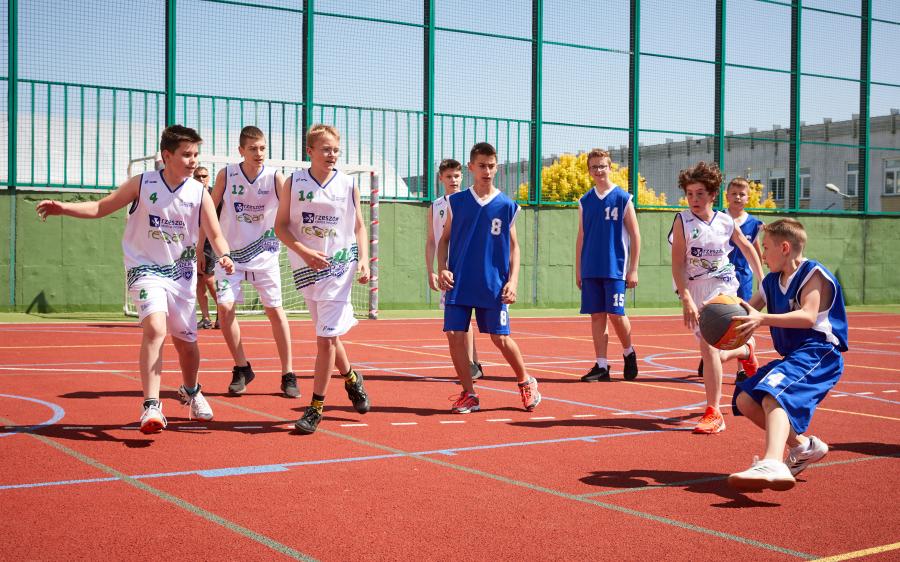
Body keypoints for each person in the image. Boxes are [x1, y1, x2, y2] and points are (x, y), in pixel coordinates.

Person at [36, 125, 235, 434]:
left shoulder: (199, 193)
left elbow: (216, 234)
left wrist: (225, 255)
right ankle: (151, 405)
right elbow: (101, 207)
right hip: (145, 269)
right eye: (186, 154)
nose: (193, 161)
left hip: (180, 275)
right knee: (155, 327)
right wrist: (64, 208)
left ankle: (192, 391)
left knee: (187, 345)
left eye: (196, 154)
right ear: (167, 155)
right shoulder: (142, 184)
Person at [725, 218, 847, 491]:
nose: (762, 255)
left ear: (784, 248)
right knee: (746, 399)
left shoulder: (812, 273)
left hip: (819, 352)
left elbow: (808, 316)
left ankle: (772, 461)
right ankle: (804, 446)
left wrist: (762, 319)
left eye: (765, 248)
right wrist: (718, 315)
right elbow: (746, 313)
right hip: (795, 356)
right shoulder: (770, 282)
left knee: (773, 394)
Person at [276, 124, 371, 434]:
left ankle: (315, 407)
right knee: (328, 334)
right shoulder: (294, 182)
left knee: (325, 339)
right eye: (326, 149)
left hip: (339, 268)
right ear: (310, 151)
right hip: (307, 268)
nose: (332, 154)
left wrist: (364, 260)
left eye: (336, 150)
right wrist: (304, 252)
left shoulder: (348, 184)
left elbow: (359, 226)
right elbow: (280, 227)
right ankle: (352, 378)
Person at [438, 142, 541, 414]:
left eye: (491, 166)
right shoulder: (456, 202)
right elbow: (443, 240)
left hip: (493, 284)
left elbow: (514, 248)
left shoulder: (506, 205)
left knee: (500, 338)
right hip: (460, 283)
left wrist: (513, 281)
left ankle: (525, 381)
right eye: (481, 166)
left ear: (497, 168)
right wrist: (442, 267)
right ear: (471, 167)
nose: (486, 171)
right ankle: (469, 393)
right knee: (454, 335)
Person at [669, 161, 763, 434]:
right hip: (695, 289)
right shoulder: (682, 221)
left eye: (700, 193)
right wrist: (686, 298)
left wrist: (763, 278)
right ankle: (745, 351)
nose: (694, 199)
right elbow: (677, 264)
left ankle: (714, 412)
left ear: (712, 195)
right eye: (690, 194)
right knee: (714, 351)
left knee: (709, 348)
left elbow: (747, 247)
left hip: (723, 286)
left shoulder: (725, 221)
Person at [205, 126, 298, 398]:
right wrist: (200, 247)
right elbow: (208, 211)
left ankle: (288, 373)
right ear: (241, 150)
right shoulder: (226, 175)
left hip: (265, 256)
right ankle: (242, 367)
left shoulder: (275, 177)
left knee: (275, 312)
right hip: (229, 257)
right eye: (253, 148)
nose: (259, 153)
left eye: (262, 148)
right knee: (224, 309)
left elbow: (292, 212)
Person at [576, 149, 641, 382]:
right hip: (591, 267)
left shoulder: (623, 198)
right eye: (594, 167)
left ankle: (628, 352)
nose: (599, 170)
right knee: (597, 316)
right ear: (589, 171)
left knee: (616, 313)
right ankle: (602, 366)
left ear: (610, 167)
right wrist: (578, 269)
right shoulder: (585, 201)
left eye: (602, 166)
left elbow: (635, 235)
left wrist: (633, 268)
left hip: (615, 267)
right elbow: (581, 237)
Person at [425, 158, 484, 382]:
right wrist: (431, 270)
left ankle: (469, 365)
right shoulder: (436, 206)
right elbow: (432, 240)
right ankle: (473, 364)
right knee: (459, 320)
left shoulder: (469, 201)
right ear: (441, 178)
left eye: (457, 176)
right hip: (445, 270)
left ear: (462, 176)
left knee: (460, 320)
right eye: (449, 176)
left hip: (465, 268)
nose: (453, 180)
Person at [724, 177, 763, 383]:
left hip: (743, 277)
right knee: (717, 316)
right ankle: (711, 353)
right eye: (734, 193)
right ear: (727, 196)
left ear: (748, 198)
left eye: (742, 194)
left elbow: (754, 249)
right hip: (720, 276)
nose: (738, 197)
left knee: (742, 321)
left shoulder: (754, 224)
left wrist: (761, 276)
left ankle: (741, 367)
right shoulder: (719, 218)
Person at [193, 166, 219, 329]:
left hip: (209, 243)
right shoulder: (188, 194)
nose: (201, 179)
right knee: (198, 281)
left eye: (204, 176)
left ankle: (223, 312)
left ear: (209, 177)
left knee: (209, 279)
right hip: (192, 242)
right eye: (198, 176)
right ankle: (206, 318)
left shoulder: (214, 195)